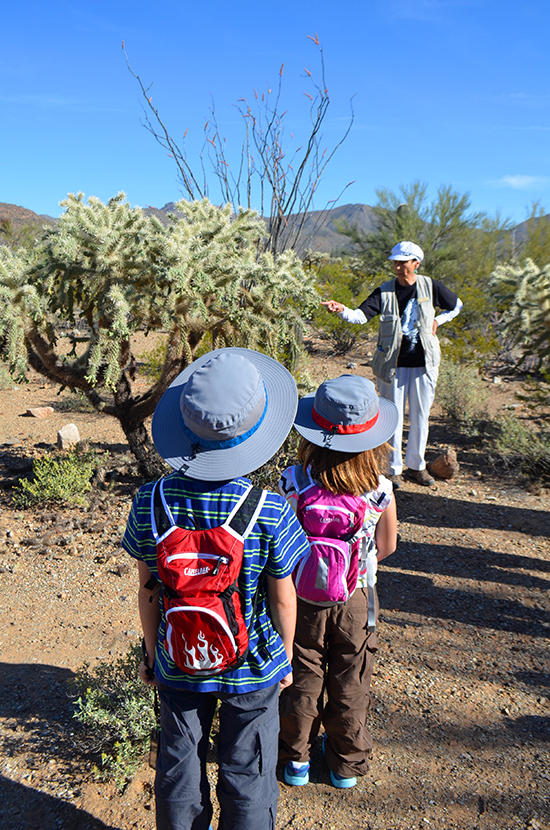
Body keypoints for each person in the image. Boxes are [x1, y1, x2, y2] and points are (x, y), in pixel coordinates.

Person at [122, 348, 309, 830]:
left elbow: (147, 589)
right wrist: (284, 658)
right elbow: (282, 595)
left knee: (179, 764)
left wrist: (151, 652)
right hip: (253, 665)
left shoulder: (150, 502)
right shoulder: (269, 510)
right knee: (249, 768)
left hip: (180, 656)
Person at [277, 374, 398, 788]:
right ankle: (346, 764)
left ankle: (295, 759)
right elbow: (387, 546)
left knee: (302, 675)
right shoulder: (380, 489)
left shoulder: (294, 481)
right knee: (351, 679)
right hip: (357, 597)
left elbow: (282, 543)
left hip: (299, 596)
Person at [322, 240, 463, 487]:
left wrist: (439, 320)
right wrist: (342, 309)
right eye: (395, 262)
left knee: (421, 416)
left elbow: (457, 305)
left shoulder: (431, 287)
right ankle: (393, 468)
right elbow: (360, 316)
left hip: (424, 365)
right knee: (393, 417)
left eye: (403, 262)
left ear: (416, 264)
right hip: (392, 365)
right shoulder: (384, 291)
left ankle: (417, 467)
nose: (398, 267)